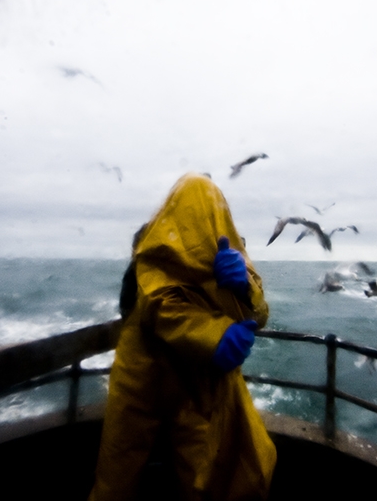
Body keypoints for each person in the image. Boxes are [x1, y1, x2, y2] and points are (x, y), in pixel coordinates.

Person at [89, 173, 276, 501]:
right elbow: (156, 302)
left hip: (195, 378)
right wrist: (216, 336)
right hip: (144, 370)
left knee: (204, 473)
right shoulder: (152, 250)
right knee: (117, 473)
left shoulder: (227, 251)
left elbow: (259, 314)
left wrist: (244, 288)